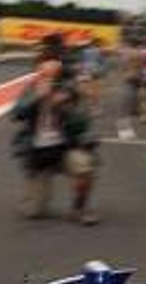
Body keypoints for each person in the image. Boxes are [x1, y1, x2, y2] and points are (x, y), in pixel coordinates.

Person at [12, 48, 99, 224]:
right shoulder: (30, 89)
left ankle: (79, 209)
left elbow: (83, 124)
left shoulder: (68, 89)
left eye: (54, 62)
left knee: (85, 167)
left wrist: (66, 107)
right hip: (38, 153)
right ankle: (34, 194)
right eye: (46, 63)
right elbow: (17, 114)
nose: (51, 66)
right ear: (38, 69)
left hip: (63, 148)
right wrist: (38, 97)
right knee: (33, 213)